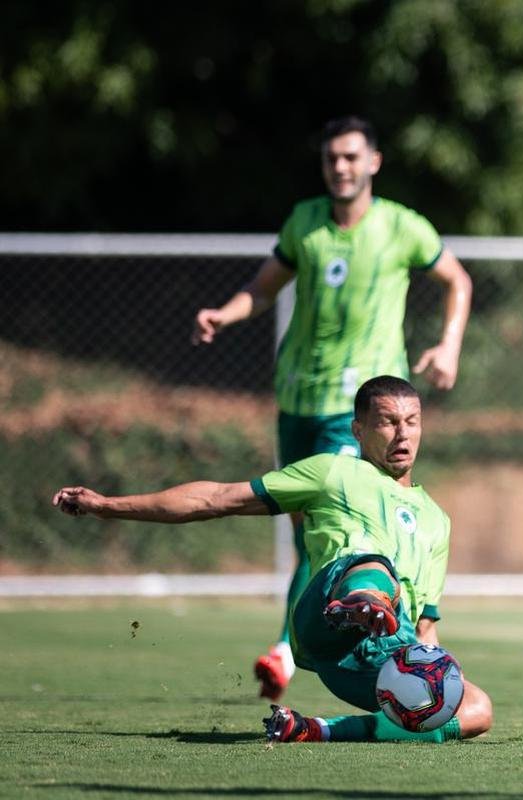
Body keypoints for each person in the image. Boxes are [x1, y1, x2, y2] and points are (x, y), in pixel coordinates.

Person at [191, 116, 473, 702]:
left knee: (348, 532)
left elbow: (457, 280)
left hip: (359, 410)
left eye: (350, 157)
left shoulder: (402, 226)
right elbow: (264, 286)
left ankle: (289, 650)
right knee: (310, 539)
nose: (340, 168)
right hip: (298, 398)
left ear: (373, 161)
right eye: (331, 159)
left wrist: (449, 344)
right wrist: (227, 312)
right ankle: (329, 638)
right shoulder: (305, 222)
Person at [53, 375, 492, 744]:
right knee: (373, 563)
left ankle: (317, 730)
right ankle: (360, 604)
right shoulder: (332, 473)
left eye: (412, 423)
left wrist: (433, 680)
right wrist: (108, 505)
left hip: (375, 660)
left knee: (474, 710)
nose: (402, 435)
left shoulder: (437, 519)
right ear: (358, 431)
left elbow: (426, 626)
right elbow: (217, 498)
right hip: (325, 621)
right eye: (388, 423)